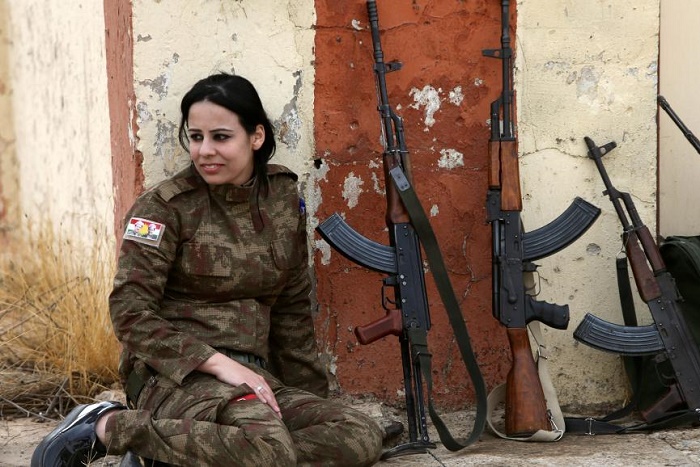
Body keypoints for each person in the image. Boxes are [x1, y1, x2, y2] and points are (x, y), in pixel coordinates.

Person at [31, 73, 384, 466]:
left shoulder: (282, 199)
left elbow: (292, 310)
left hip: (255, 378)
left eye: (221, 137)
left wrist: (312, 402)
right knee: (268, 449)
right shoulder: (164, 208)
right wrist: (218, 364)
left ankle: (175, 452)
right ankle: (108, 426)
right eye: (196, 137)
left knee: (359, 436)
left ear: (256, 136)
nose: (204, 151)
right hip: (177, 377)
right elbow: (129, 313)